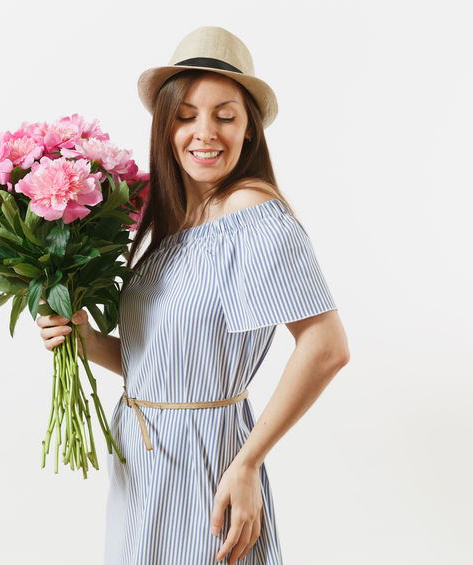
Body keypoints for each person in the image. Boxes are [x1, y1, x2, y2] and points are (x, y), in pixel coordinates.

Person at [36, 26, 350, 565]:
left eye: (225, 115)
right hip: (141, 457)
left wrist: (247, 463)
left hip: (206, 463)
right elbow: (162, 362)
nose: (204, 132)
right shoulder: (176, 224)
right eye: (186, 115)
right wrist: (84, 339)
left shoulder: (251, 213)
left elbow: (326, 346)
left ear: (249, 130)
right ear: (165, 125)